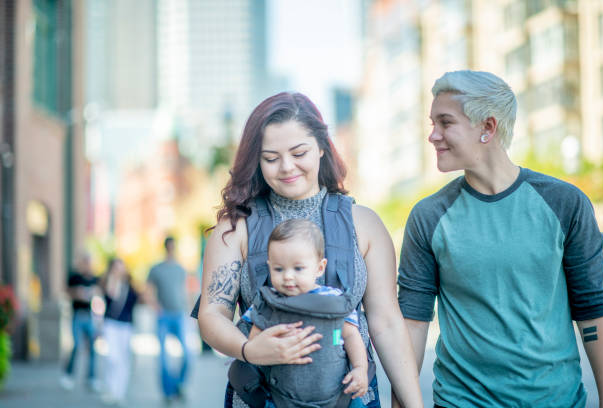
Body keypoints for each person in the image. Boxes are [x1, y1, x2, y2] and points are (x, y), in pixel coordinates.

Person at [191, 92, 423, 407]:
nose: (286, 167)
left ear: (322, 147)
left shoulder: (365, 224)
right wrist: (249, 349)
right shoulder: (235, 228)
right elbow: (212, 314)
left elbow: (386, 323)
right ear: (256, 161)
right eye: (270, 158)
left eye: (299, 152)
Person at [398, 70, 603, 407]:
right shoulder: (428, 216)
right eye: (432, 123)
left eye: (445, 122)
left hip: (555, 400)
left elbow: (594, 310)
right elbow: (411, 323)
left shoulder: (564, 203)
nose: (433, 136)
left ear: (487, 127)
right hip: (461, 401)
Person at [233, 219, 369, 407]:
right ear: (269, 265)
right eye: (278, 269)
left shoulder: (334, 300)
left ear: (319, 268)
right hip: (282, 397)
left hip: (339, 395)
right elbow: (254, 342)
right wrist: (258, 348)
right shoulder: (267, 302)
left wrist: (360, 369)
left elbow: (351, 335)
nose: (288, 276)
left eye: (298, 268)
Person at [147, 236, 190, 403]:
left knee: (188, 354)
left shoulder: (180, 269)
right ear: (166, 248)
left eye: (174, 247)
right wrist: (156, 307)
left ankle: (178, 385)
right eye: (170, 247)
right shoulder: (156, 269)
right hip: (164, 316)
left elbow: (184, 291)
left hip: (179, 315)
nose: (172, 250)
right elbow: (148, 291)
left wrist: (189, 312)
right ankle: (167, 392)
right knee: (164, 358)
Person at [100, 258, 140, 406]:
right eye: (116, 268)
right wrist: (113, 281)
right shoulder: (108, 283)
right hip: (110, 324)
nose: (119, 270)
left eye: (121, 267)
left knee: (123, 360)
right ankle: (111, 388)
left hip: (126, 326)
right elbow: (109, 298)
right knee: (112, 358)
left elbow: (137, 301)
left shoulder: (130, 286)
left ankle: (119, 392)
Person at [61, 252, 101, 392]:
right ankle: (68, 374)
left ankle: (91, 378)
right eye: (85, 262)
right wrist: (77, 293)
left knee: (92, 348)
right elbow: (67, 291)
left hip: (90, 316)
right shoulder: (75, 277)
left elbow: (99, 295)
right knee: (77, 346)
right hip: (77, 315)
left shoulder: (95, 279)